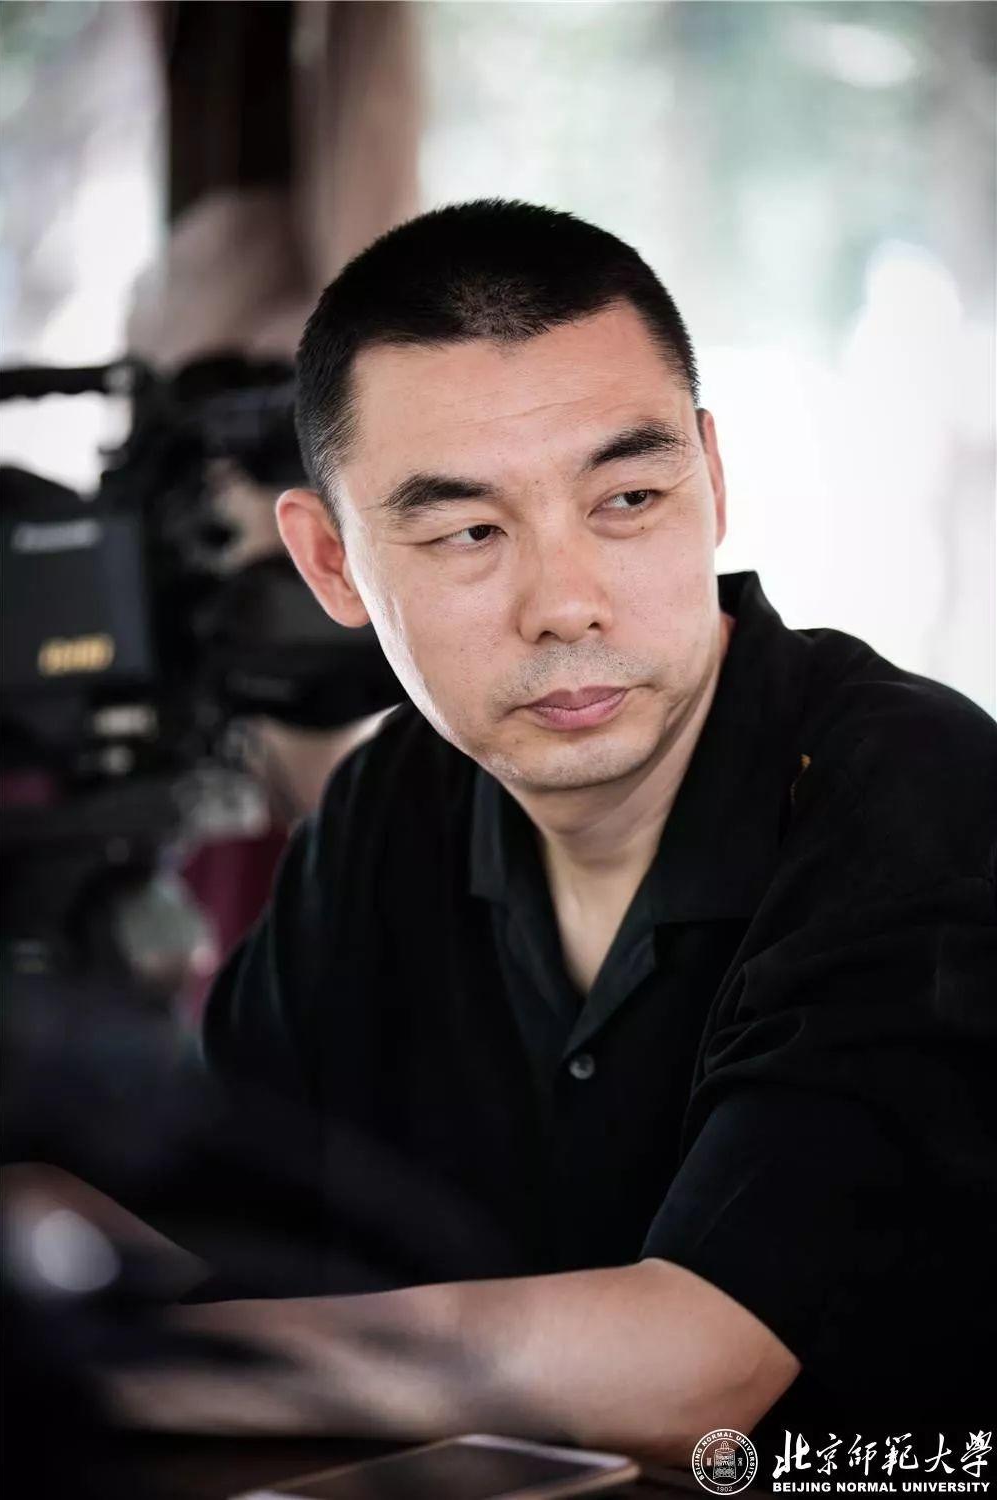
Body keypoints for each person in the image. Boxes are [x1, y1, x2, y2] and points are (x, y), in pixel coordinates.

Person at [109, 201, 997, 1461]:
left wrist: (114, 1370)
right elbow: (207, 1218)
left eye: (627, 498)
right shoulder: (394, 800)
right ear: (331, 564)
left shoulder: (913, 789)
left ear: (712, 481)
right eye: (468, 532)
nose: (566, 604)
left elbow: (696, 1367)